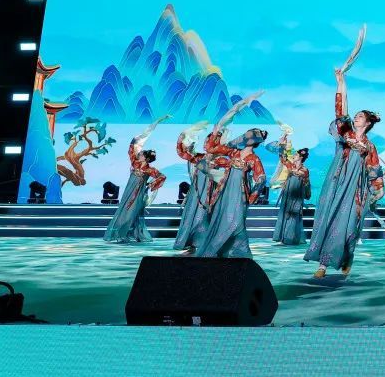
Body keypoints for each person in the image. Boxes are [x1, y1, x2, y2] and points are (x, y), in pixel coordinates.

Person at [304, 57, 383, 278]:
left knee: (348, 223)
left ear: (368, 123)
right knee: (330, 217)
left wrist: (377, 190)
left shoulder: (369, 146)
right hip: (337, 183)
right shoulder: (346, 134)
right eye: (356, 116)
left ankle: (347, 257)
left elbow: (374, 170)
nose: (356, 118)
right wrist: (341, 82)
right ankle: (323, 264)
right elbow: (341, 109)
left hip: (355, 189)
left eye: (360, 116)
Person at [197, 94, 268, 259]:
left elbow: (261, 178)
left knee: (237, 221)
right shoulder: (233, 151)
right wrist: (216, 131)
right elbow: (211, 148)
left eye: (249, 136)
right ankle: (221, 249)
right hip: (225, 190)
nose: (245, 137)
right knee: (221, 216)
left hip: (240, 193)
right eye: (246, 135)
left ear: (254, 141)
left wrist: (252, 195)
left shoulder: (254, 159)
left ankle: (239, 252)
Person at [103, 115, 169, 243]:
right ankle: (124, 234)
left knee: (132, 213)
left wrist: (151, 184)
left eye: (142, 154)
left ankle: (126, 234)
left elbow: (162, 176)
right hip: (129, 192)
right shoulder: (135, 163)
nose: (139, 154)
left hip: (138, 193)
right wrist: (136, 139)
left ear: (146, 158)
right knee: (125, 211)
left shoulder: (150, 169)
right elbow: (131, 149)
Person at [173, 120, 216, 253]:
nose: (206, 144)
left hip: (213, 192)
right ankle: (192, 242)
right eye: (206, 142)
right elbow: (182, 153)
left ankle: (209, 243)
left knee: (209, 216)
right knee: (194, 215)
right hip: (197, 193)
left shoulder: (222, 160)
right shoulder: (199, 158)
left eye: (210, 142)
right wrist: (181, 139)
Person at [269, 128, 312, 245]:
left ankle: (291, 237)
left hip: (297, 194)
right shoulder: (291, 165)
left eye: (296, 154)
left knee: (294, 213)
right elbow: (282, 158)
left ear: (301, 157)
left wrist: (306, 194)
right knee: (286, 213)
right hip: (288, 192)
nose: (294, 155)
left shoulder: (305, 170)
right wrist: (283, 143)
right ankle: (284, 237)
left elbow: (306, 183)